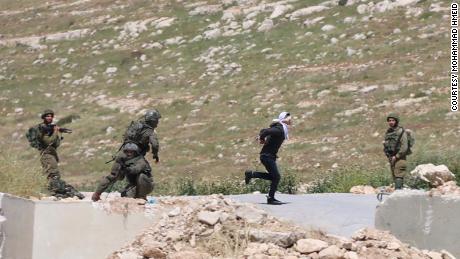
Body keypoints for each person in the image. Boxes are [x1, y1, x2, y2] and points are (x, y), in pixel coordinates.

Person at [92, 109, 160, 201]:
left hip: (123, 153)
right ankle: (142, 197)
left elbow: (125, 137)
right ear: (153, 121)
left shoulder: (135, 125)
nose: (158, 122)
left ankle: (96, 194)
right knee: (145, 173)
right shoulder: (149, 131)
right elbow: (155, 144)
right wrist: (155, 154)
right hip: (136, 156)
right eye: (157, 120)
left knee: (112, 176)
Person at [244, 112, 292, 205]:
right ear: (283, 119)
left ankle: (251, 174)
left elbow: (263, 130)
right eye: (289, 118)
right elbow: (265, 131)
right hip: (267, 156)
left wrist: (262, 137)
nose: (291, 120)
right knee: (276, 177)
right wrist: (262, 138)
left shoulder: (280, 128)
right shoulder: (279, 129)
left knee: (274, 177)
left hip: (268, 156)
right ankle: (271, 198)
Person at [36, 109, 84, 199]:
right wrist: (55, 131)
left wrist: (59, 132)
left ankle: (54, 190)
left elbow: (56, 144)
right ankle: (53, 191)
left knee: (54, 173)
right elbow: (48, 141)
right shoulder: (42, 128)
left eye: (51, 116)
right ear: (43, 117)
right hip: (46, 154)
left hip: (52, 154)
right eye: (47, 116)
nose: (49, 117)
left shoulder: (50, 128)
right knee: (53, 174)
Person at [383, 113, 409, 190]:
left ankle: (398, 193)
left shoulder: (401, 132)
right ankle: (398, 192)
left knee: (398, 175)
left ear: (396, 121)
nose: (391, 122)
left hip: (400, 158)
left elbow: (404, 147)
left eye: (393, 120)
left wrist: (397, 156)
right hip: (391, 157)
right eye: (389, 120)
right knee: (394, 175)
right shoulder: (389, 132)